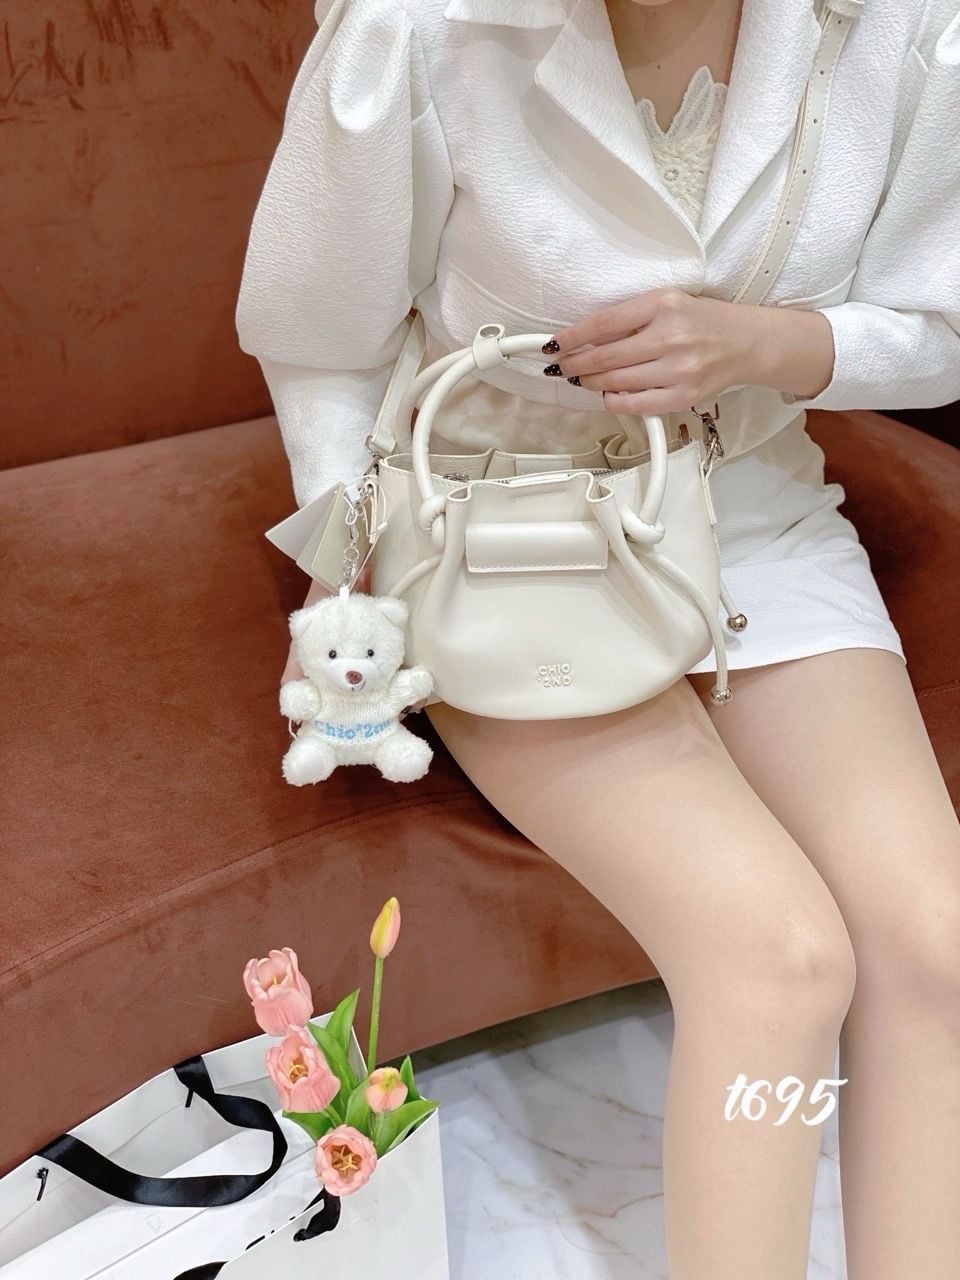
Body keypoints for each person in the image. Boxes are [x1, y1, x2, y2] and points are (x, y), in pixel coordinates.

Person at [235, 0, 960, 1273]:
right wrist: (351, 571)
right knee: (780, 961)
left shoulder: (909, 24)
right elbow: (319, 338)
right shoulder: (417, 24)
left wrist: (773, 344)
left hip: (750, 502)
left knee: (937, 946)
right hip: (503, 529)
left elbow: (942, 325)